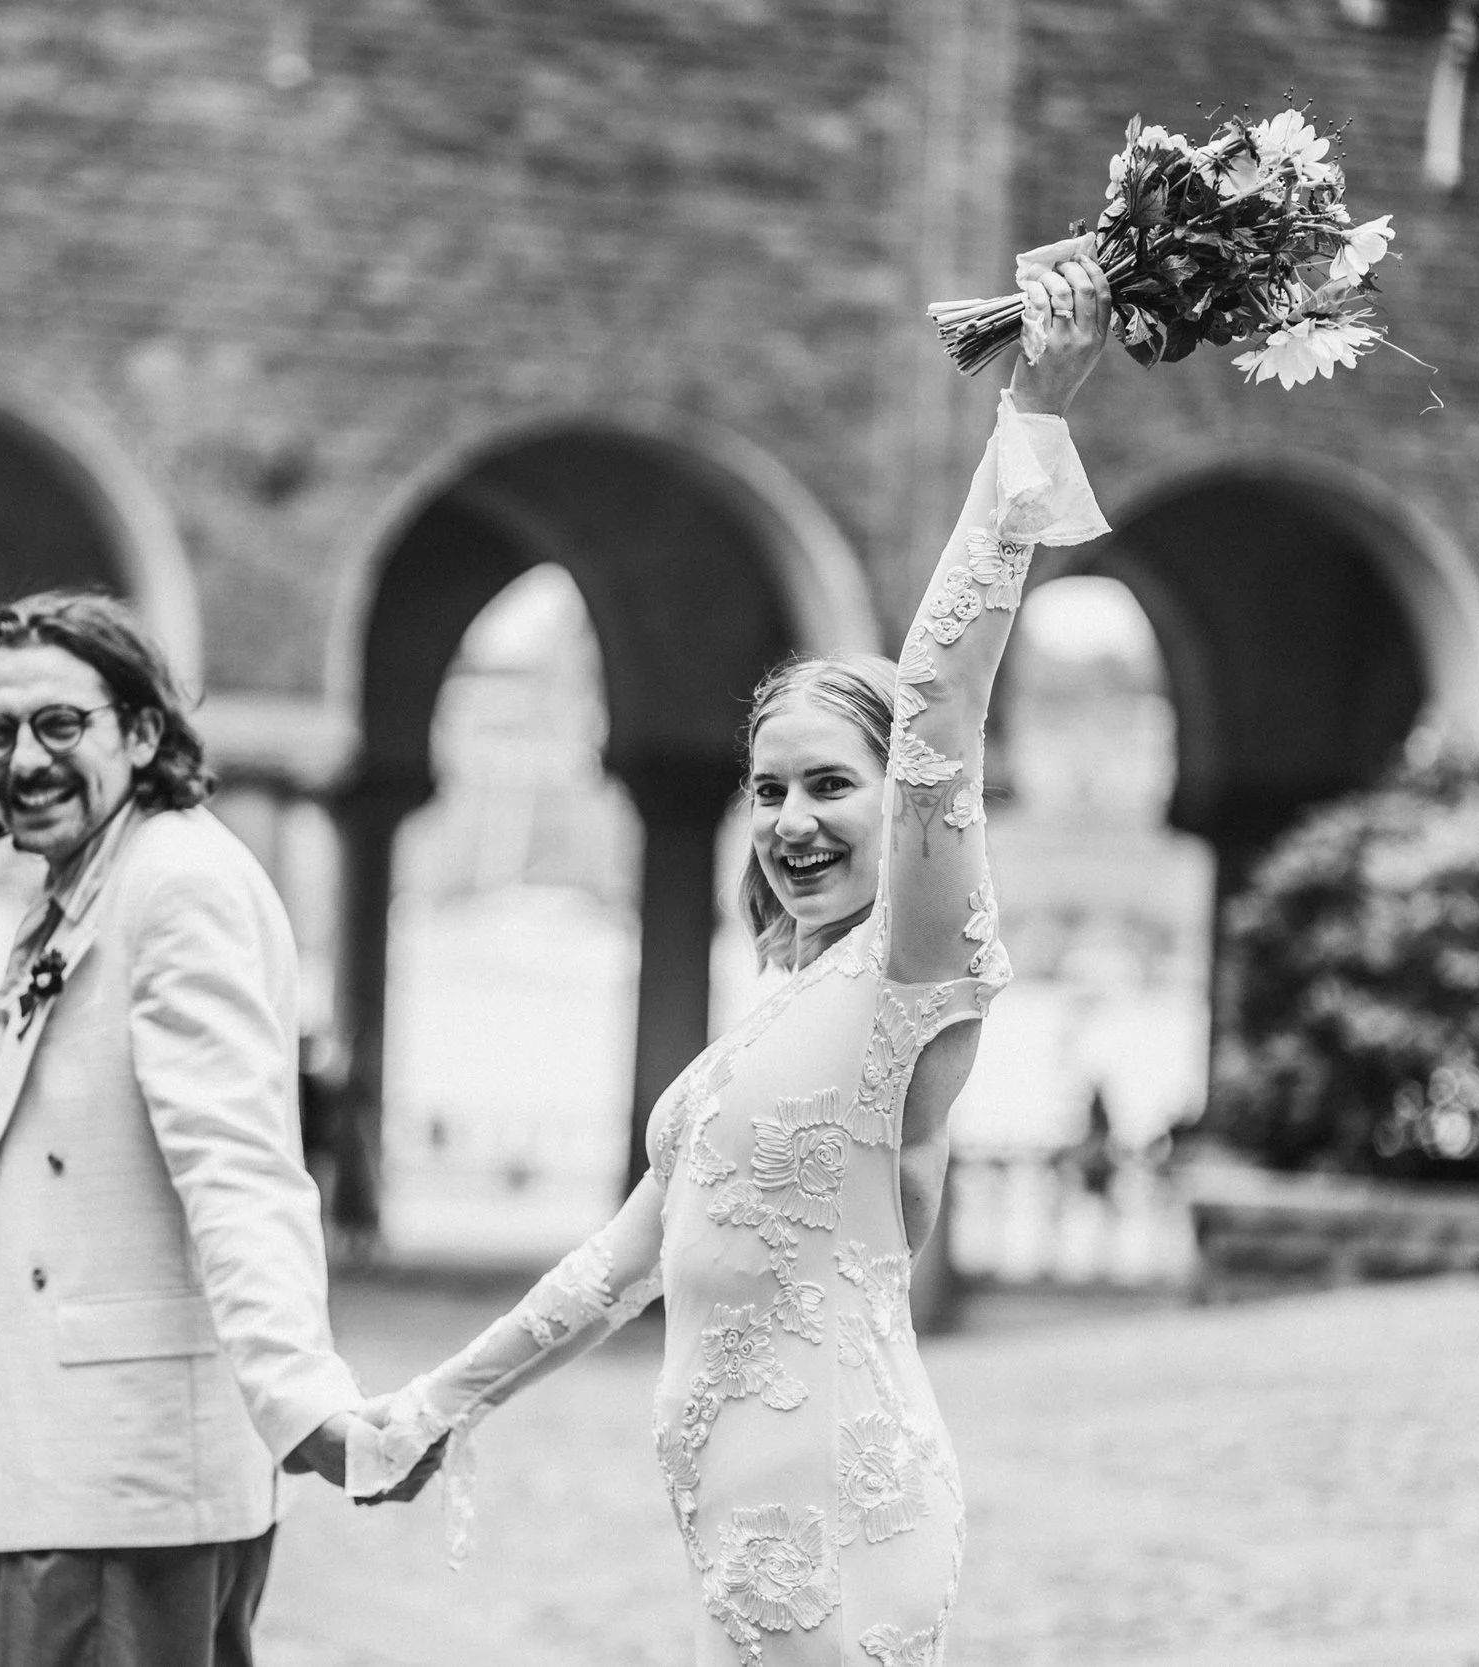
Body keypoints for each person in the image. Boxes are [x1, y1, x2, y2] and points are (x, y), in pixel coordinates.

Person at [349, 237, 1115, 1664]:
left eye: (832, 781)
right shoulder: (768, 1021)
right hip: (740, 1516)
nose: (792, 818)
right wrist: (434, 1405)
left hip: (842, 1501)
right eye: (769, 788)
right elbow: (609, 1269)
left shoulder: (911, 960)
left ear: (901, 805)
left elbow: (944, 694)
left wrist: (1036, 415)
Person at [0, 591, 403, 1667]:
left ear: (140, 730)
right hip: (76, 1454)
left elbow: (238, 1166)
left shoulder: (175, 886)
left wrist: (300, 1393)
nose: (24, 758)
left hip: (123, 1470)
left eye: (60, 724)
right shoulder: (98, 879)